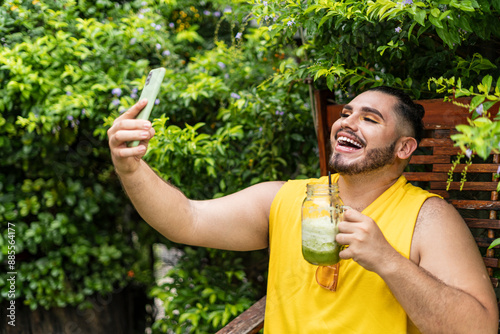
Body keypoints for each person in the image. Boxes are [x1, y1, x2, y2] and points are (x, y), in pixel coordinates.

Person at [107, 86, 498, 333]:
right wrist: (130, 166)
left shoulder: (429, 217)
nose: (347, 122)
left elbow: (478, 328)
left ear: (403, 148)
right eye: (346, 113)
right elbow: (186, 220)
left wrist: (388, 261)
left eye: (370, 118)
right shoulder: (284, 198)